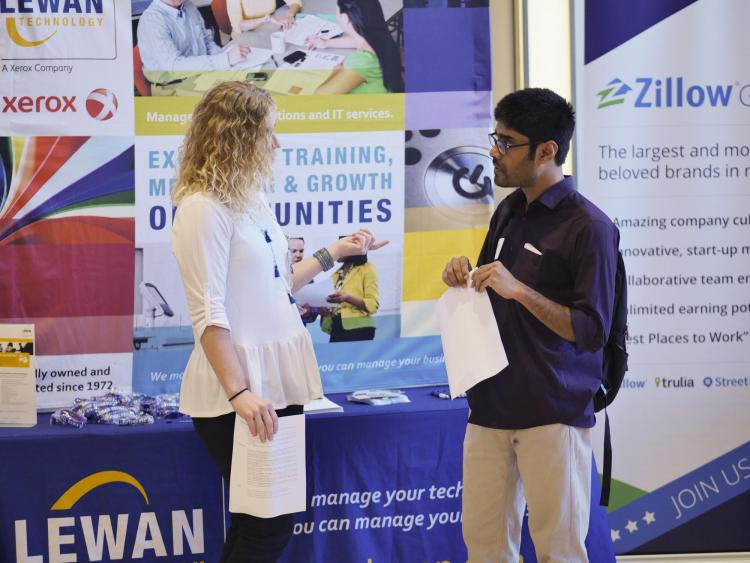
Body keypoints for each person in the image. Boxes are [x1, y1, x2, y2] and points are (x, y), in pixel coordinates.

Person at [171, 81, 386, 562]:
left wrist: (337, 252)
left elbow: (278, 283)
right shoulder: (202, 209)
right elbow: (209, 311)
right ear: (237, 138)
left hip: (272, 386)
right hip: (241, 391)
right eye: (268, 133)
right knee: (266, 526)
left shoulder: (251, 200)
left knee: (264, 521)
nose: (276, 145)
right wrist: (239, 392)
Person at [442, 88, 619, 562]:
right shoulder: (507, 210)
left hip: (553, 412)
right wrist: (463, 276)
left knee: (559, 548)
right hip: (490, 405)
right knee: (483, 547)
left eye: (507, 142)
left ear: (547, 151)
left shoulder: (590, 227)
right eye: (495, 138)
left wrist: (519, 289)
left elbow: (591, 329)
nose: (494, 153)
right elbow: (489, 289)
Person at [137, 0, 250, 93]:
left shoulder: (188, 6)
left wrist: (225, 60)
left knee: (246, 83)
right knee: (235, 95)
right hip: (171, 87)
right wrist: (225, 59)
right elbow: (174, 67)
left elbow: (207, 41)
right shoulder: (151, 20)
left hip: (198, 75)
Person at [306, 0, 403, 94]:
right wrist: (326, 43)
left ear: (345, 18)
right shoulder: (381, 37)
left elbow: (320, 96)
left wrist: (335, 72)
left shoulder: (362, 60)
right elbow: (356, 40)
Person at [321, 251, 379, 342]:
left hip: (360, 328)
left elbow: (372, 305)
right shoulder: (336, 274)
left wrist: (347, 298)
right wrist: (325, 307)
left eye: (341, 247)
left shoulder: (367, 268)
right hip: (336, 327)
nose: (337, 250)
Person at [227, 0, 302, 39]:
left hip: (268, 31)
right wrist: (265, 19)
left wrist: (290, 14)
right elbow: (238, 25)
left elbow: (295, 1)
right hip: (244, 37)